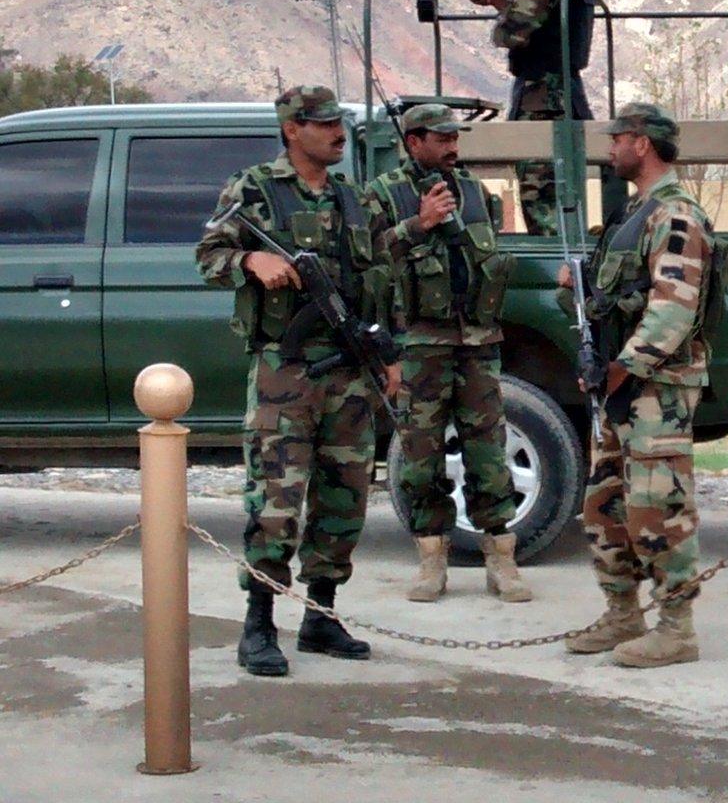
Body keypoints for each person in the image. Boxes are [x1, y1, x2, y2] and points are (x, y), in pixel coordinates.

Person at [195, 85, 398, 677]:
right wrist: (248, 262)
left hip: (350, 373)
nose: (338, 132)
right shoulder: (254, 190)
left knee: (345, 498)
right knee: (276, 502)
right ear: (292, 129)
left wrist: (390, 354)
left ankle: (321, 616)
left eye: (341, 122)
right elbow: (207, 253)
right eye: (324, 123)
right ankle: (259, 623)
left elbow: (379, 280)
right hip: (285, 373)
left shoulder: (355, 199)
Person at [556, 102, 716, 667]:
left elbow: (672, 314)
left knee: (658, 506)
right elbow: (613, 302)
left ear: (641, 143)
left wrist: (618, 369)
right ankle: (623, 613)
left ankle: (676, 628)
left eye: (617, 138)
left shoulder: (675, 216)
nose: (611, 147)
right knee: (605, 505)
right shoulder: (634, 215)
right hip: (622, 386)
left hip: (656, 386)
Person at [368, 103, 529, 604]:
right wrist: (417, 225)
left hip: (477, 343)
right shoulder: (383, 194)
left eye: (455, 137)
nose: (453, 146)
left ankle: (501, 561)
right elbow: (366, 260)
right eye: (441, 138)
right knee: (421, 454)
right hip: (419, 344)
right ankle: (431, 562)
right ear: (413, 142)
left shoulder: (476, 192)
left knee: (489, 449)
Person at [466, 0, 592, 234]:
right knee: (554, 205)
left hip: (543, 103)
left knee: (544, 212)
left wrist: (501, 6)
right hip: (558, 96)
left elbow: (510, 34)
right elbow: (538, 26)